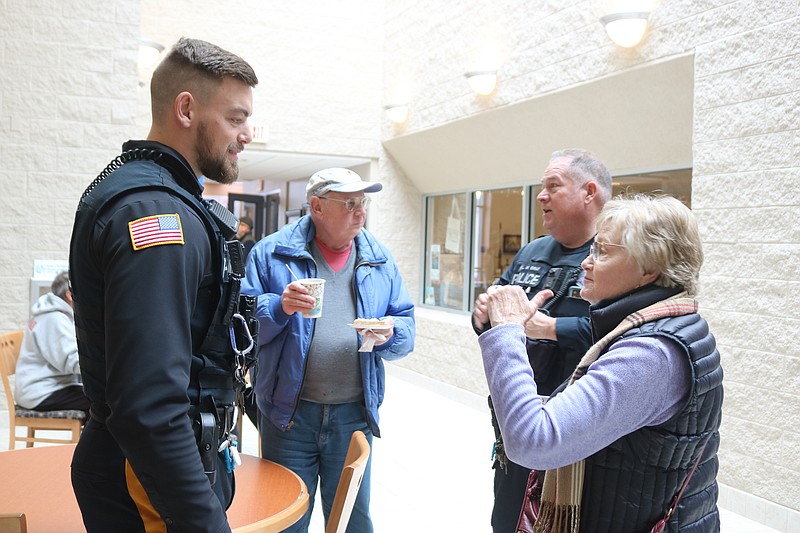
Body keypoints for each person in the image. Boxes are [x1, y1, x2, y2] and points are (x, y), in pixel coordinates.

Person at [68, 37, 258, 532]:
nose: (247, 134)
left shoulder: (155, 196)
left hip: (155, 473)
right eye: (235, 118)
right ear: (187, 108)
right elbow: (149, 404)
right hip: (149, 483)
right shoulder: (156, 214)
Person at [479, 194, 723, 532]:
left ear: (648, 268)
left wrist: (507, 330)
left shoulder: (652, 354)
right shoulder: (654, 325)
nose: (585, 262)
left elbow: (533, 440)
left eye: (603, 252)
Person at [242, 167, 416, 532]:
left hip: (353, 417)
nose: (360, 212)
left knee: (353, 519)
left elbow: (406, 327)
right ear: (317, 207)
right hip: (288, 417)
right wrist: (280, 307)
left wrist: (391, 333)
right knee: (287, 519)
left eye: (363, 202)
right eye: (349, 203)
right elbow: (240, 328)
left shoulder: (379, 258)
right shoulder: (271, 253)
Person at [472, 149, 612, 533]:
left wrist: (548, 329)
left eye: (553, 185)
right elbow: (496, 310)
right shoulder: (534, 250)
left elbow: (619, 331)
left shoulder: (612, 256)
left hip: (574, 426)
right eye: (541, 187)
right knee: (507, 516)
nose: (541, 196)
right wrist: (485, 310)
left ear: (588, 192)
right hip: (515, 413)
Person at [14, 271, 90, 413]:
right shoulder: (54, 319)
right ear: (69, 295)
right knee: (104, 401)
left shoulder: (55, 315)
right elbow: (70, 361)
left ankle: (93, 435)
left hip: (47, 386)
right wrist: (103, 365)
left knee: (104, 397)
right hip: (40, 391)